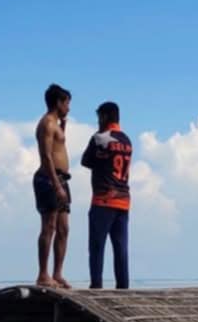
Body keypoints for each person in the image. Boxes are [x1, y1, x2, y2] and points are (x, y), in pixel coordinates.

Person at [81, 100, 133, 289]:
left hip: (103, 200)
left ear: (104, 117)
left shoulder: (99, 138)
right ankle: (123, 287)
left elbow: (85, 161)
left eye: (99, 117)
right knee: (121, 248)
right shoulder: (127, 140)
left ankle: (96, 286)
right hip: (123, 200)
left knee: (97, 246)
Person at [34, 83, 73, 287]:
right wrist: (56, 185)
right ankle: (43, 274)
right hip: (49, 179)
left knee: (63, 228)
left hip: (62, 179)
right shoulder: (47, 124)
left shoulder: (56, 124)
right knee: (49, 226)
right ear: (58, 102)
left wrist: (63, 126)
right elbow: (47, 156)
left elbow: (59, 146)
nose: (68, 108)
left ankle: (57, 273)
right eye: (67, 103)